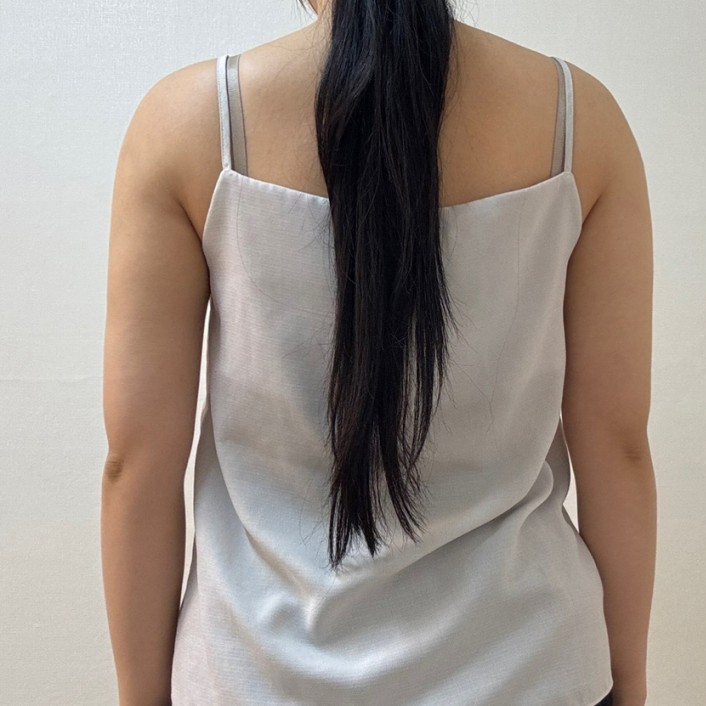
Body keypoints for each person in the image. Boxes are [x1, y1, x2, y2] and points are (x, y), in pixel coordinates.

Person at [100, 0, 656, 703]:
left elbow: (136, 465)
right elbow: (617, 447)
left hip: (259, 674)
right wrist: (628, 681)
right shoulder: (581, 122)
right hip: (530, 667)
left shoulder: (185, 124)